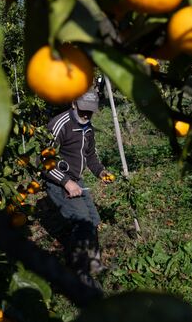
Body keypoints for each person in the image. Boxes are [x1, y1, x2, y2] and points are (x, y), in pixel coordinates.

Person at [42, 89, 114, 289]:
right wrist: (66, 182)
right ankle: (79, 277)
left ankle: (92, 262)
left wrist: (100, 172)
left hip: (77, 180)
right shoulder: (59, 124)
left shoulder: (88, 128)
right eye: (83, 110)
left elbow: (90, 156)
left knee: (93, 219)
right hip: (58, 181)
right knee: (82, 222)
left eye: (90, 112)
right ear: (74, 104)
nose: (86, 115)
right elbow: (43, 161)